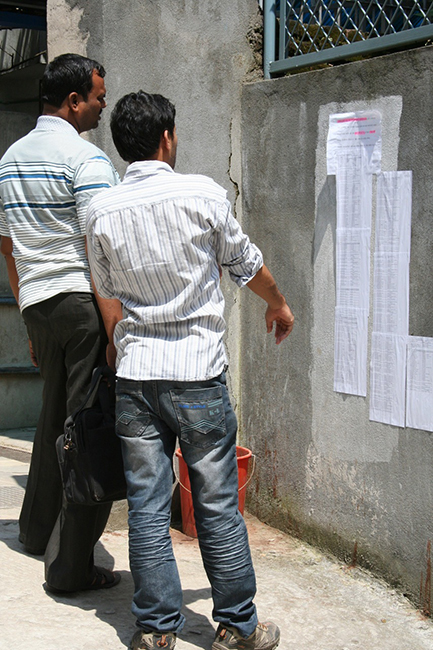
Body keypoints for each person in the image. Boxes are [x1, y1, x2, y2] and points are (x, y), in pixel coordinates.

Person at [86, 91, 294, 650]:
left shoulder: (101, 210)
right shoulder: (202, 193)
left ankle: (155, 631)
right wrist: (277, 303)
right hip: (198, 373)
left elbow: (105, 290)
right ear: (167, 138)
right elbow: (245, 263)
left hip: (136, 376)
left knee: (148, 506)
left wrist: (117, 343)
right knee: (217, 499)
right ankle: (236, 626)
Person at [0, 53, 122, 593]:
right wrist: (115, 328)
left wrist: (28, 314)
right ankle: (71, 568)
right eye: (97, 97)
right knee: (87, 433)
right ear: (73, 101)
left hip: (39, 306)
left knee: (54, 419)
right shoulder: (87, 161)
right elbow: (103, 254)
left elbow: (8, 247)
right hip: (81, 306)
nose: (102, 106)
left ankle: (33, 529)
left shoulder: (10, 159)